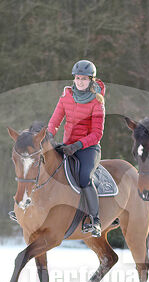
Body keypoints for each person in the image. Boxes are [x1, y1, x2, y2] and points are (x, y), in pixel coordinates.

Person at [47, 60, 106, 237]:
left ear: (91, 80)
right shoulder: (66, 96)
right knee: (43, 165)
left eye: (84, 79)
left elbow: (97, 133)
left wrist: (78, 145)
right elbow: (55, 121)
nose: (80, 82)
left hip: (88, 148)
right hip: (67, 146)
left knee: (84, 177)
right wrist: (49, 135)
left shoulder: (97, 102)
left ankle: (95, 221)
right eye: (78, 78)